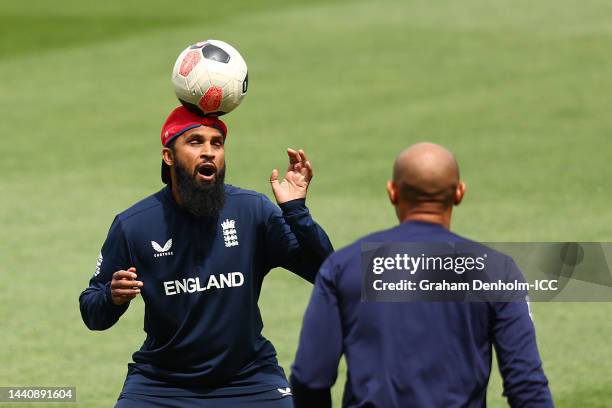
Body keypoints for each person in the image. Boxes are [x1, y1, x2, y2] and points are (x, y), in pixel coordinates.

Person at [79, 105, 333, 407]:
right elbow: (91, 311)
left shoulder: (252, 211)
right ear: (168, 156)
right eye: (196, 141)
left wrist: (296, 211)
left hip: (250, 379)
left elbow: (326, 273)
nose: (209, 152)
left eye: (217, 143)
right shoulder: (134, 225)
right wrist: (111, 296)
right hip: (161, 384)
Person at [290, 142, 553, 407]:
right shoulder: (496, 271)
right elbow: (526, 385)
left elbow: (310, 378)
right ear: (459, 193)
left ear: (392, 192)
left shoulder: (344, 266)